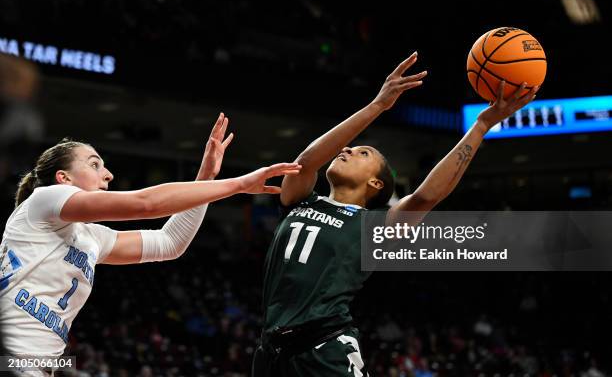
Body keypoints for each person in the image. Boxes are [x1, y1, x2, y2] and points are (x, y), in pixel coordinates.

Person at [253, 52, 539, 376]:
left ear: (375, 183)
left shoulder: (372, 227)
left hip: (324, 350)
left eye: (363, 153)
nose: (347, 149)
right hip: (270, 351)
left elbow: (424, 197)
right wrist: (377, 105)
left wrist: (482, 125)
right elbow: (306, 161)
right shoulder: (302, 199)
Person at [0, 113, 301, 375]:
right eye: (94, 164)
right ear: (63, 178)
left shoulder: (91, 237)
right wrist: (238, 184)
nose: (108, 173)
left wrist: (206, 179)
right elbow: (145, 204)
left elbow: (170, 242)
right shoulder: (44, 200)